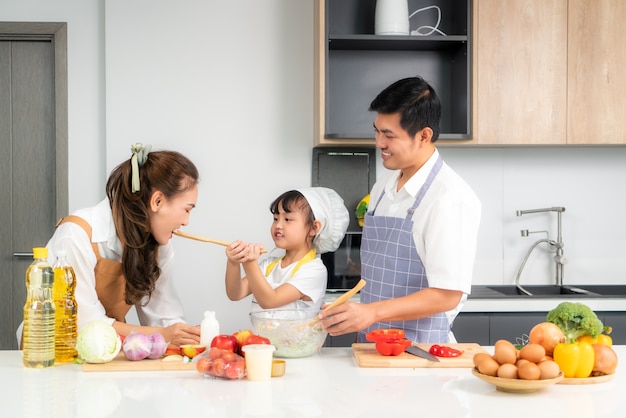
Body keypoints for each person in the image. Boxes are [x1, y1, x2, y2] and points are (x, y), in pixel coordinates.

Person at [318, 76, 482, 343]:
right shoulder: (384, 185)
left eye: (389, 135)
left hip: (421, 350)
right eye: (377, 131)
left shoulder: (450, 198)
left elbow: (448, 294)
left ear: (423, 136)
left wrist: (372, 312)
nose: (378, 143)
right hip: (371, 345)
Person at [17, 144, 202, 348]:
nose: (186, 222)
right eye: (186, 210)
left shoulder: (159, 244)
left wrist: (189, 337)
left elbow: (164, 317)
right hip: (50, 351)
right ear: (157, 201)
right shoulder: (76, 234)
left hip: (104, 352)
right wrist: (164, 334)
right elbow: (85, 324)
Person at [225, 187, 349, 312]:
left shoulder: (314, 270)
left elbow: (270, 301)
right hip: (261, 332)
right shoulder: (269, 266)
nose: (278, 225)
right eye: (275, 218)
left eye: (287, 219)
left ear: (313, 228)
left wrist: (249, 263)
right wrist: (233, 262)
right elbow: (235, 293)